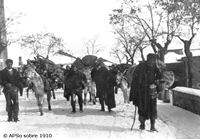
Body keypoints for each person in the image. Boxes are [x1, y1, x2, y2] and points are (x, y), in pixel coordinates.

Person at [129, 53, 163, 132]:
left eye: (154, 60)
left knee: (153, 108)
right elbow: (135, 79)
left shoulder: (155, 67)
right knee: (142, 108)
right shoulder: (140, 67)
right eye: (152, 60)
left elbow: (159, 76)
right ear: (148, 59)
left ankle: (152, 126)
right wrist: (137, 90)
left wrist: (158, 83)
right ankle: (142, 124)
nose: (153, 61)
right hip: (142, 92)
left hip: (152, 91)